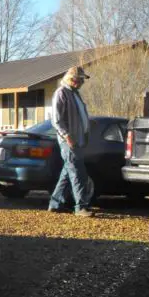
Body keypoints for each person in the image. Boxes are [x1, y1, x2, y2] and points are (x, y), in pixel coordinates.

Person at [48, 66, 95, 217]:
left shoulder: (75, 94)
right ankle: (80, 207)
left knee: (67, 173)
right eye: (80, 79)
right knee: (77, 173)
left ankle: (55, 204)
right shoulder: (61, 93)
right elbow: (56, 119)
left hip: (78, 141)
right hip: (69, 141)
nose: (82, 82)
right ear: (72, 79)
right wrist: (67, 136)